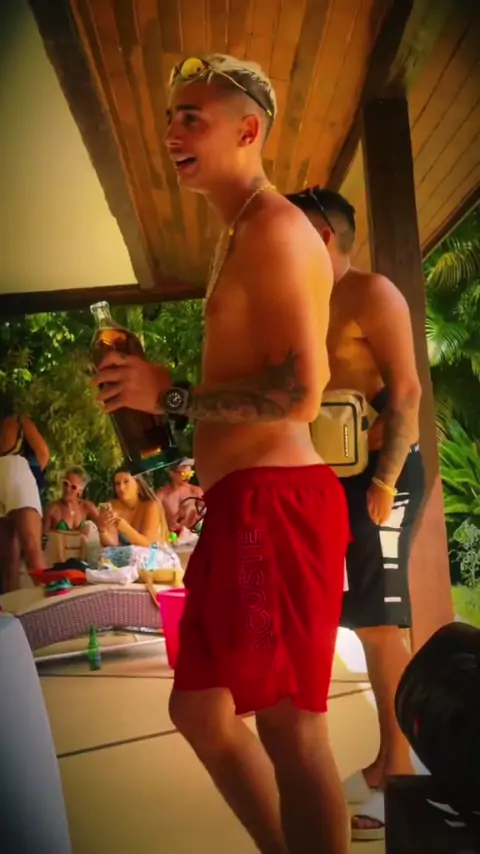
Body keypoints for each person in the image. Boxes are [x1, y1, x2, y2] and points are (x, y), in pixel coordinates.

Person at [93, 54, 351, 854]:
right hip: (243, 505)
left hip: (278, 506)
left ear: (247, 131)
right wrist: (161, 400)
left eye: (191, 118)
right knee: (199, 709)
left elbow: (300, 393)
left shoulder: (276, 228)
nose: (172, 133)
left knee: (291, 729)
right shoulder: (238, 232)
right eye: (170, 118)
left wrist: (168, 396)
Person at [286, 186, 424, 841]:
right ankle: (385, 759)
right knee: (365, 622)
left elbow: (406, 392)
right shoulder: (302, 301)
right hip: (332, 481)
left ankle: (400, 773)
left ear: (323, 237)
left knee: (380, 623)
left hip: (383, 476)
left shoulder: (373, 293)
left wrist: (387, 480)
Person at [0, 396, 49, 592]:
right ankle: (47, 600)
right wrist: (32, 480)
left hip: (7, 475)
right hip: (16, 472)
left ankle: (13, 606)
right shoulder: (18, 420)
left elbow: (43, 453)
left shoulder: (11, 422)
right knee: (29, 547)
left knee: (11, 557)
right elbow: (43, 452)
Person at [98, 467, 168, 548]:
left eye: (126, 482)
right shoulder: (112, 505)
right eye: (117, 484)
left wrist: (126, 529)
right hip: (125, 552)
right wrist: (102, 529)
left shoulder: (151, 505)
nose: (121, 488)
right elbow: (112, 543)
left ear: (138, 484)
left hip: (154, 552)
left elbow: (149, 544)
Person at [44, 467, 99, 534]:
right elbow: (44, 536)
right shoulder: (52, 509)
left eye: (73, 487)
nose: (67, 489)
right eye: (66, 484)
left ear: (80, 491)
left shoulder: (86, 507)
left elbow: (103, 526)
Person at [157, 458, 203, 533]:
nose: (187, 477)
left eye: (190, 474)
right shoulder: (162, 495)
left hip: (194, 533)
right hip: (173, 535)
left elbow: (212, 512)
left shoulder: (195, 491)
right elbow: (154, 519)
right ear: (171, 473)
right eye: (184, 474)